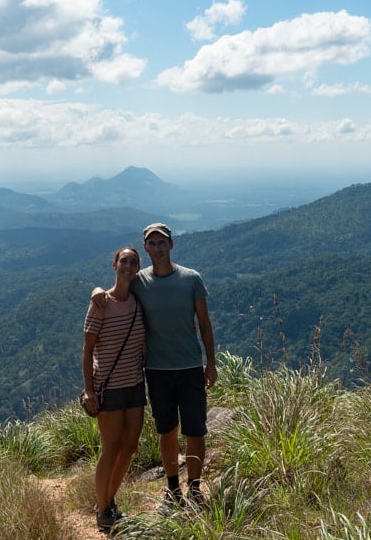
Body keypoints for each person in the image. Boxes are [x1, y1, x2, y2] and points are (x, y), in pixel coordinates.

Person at [92, 222, 217, 508]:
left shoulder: (192, 279)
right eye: (152, 243)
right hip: (157, 370)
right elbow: (115, 289)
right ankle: (173, 488)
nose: (158, 248)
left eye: (162, 243)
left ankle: (195, 489)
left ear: (171, 245)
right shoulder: (139, 282)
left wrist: (211, 364)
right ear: (146, 247)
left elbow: (205, 325)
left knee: (195, 430)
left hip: (189, 367)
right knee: (167, 430)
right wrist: (96, 290)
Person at [81, 246, 146, 532]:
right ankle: (103, 508)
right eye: (124, 261)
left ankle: (108, 502)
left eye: (133, 262)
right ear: (114, 265)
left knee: (130, 447)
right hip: (108, 387)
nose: (128, 266)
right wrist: (89, 391)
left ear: (137, 268)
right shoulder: (100, 303)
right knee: (111, 448)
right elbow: (87, 350)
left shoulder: (139, 300)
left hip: (135, 384)